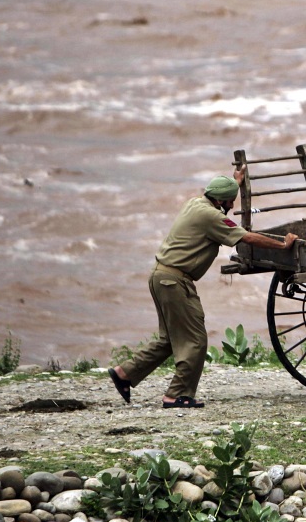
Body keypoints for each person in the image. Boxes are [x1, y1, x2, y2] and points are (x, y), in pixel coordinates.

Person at [108, 170, 295, 408]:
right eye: (230, 201)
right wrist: (282, 244)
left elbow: (221, 194)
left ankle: (124, 374)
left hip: (160, 275)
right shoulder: (213, 217)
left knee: (169, 339)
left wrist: (234, 182)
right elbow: (246, 238)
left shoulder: (195, 203)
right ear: (220, 201)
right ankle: (176, 395)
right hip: (175, 281)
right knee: (195, 339)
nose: (231, 205)